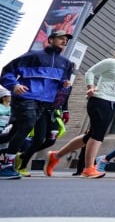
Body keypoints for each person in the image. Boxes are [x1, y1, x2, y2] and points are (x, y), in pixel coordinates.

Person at [45, 44, 115, 178]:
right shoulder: (111, 62)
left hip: (113, 102)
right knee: (98, 135)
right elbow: (90, 72)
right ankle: (88, 168)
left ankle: (56, 156)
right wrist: (90, 87)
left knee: (89, 136)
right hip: (100, 99)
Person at [0, 30, 74, 179]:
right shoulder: (32, 56)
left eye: (66, 40)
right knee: (26, 126)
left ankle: (7, 162)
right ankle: (6, 165)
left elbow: (60, 85)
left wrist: (63, 85)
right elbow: (7, 71)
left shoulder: (66, 64)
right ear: (51, 39)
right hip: (25, 97)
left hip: (45, 102)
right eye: (60, 38)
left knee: (15, 132)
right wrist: (14, 85)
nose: (64, 41)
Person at [15, 85, 72, 177]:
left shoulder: (68, 83)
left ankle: (22, 156)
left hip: (54, 113)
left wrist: (65, 111)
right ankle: (22, 166)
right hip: (41, 111)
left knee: (51, 141)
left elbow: (65, 97)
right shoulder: (51, 78)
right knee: (38, 140)